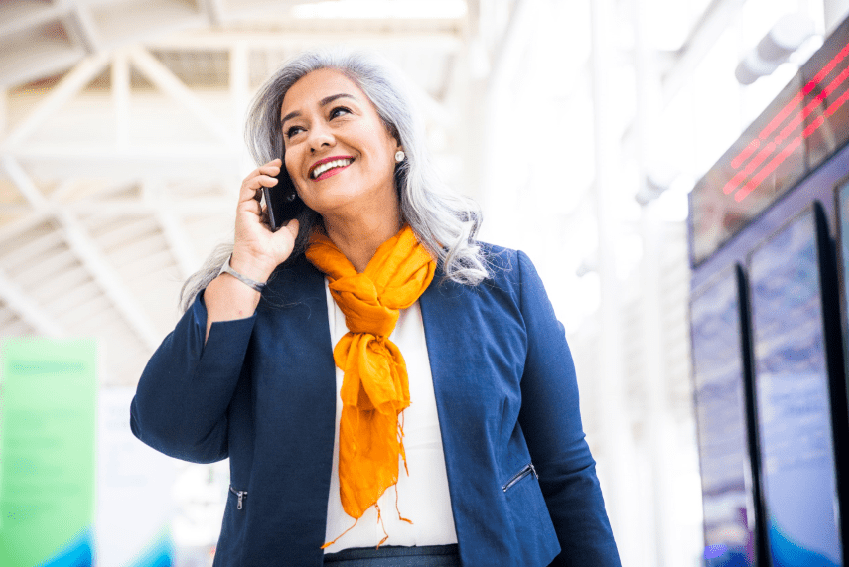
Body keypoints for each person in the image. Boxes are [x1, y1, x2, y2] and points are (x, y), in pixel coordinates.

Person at [130, 50, 621, 567]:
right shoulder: (260, 294)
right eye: (294, 131)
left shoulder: (499, 283)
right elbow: (171, 428)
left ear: (395, 137)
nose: (316, 137)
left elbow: (565, 469)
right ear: (285, 172)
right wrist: (247, 267)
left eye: (338, 113)